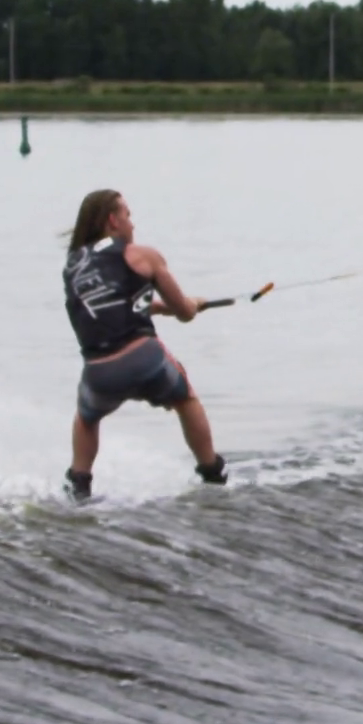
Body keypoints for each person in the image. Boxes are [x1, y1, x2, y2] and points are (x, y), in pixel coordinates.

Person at [61, 189, 225, 503]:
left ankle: (79, 484)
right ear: (113, 220)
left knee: (86, 418)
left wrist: (158, 307)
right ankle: (212, 473)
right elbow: (186, 313)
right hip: (143, 359)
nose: (132, 224)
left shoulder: (74, 266)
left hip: (99, 372)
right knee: (186, 398)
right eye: (128, 215)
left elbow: (110, 307)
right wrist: (193, 303)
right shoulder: (142, 255)